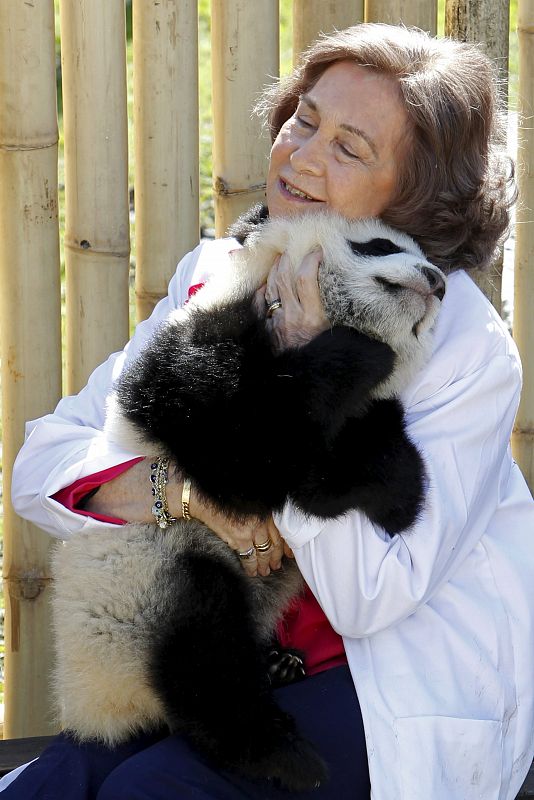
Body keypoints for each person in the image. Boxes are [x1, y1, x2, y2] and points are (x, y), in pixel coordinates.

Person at [2, 21, 533, 800]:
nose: (302, 155)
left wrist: (303, 372)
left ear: (413, 194)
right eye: (304, 119)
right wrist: (185, 497)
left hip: (380, 685)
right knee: (56, 785)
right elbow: (43, 465)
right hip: (220, 657)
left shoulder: (462, 348)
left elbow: (367, 598)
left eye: (351, 148)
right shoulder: (227, 269)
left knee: (153, 792)